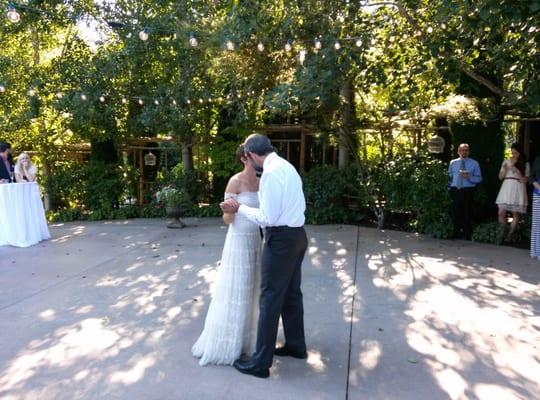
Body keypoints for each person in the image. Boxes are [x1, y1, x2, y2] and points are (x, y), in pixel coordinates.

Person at [220, 133, 308, 379]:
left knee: (269, 300)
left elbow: (266, 217)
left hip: (280, 241)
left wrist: (240, 207)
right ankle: (296, 346)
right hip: (298, 236)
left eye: (247, 157)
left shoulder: (269, 174)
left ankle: (260, 364)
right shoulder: (287, 166)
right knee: (291, 294)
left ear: (251, 155)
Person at [192, 144, 262, 366]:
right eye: (253, 156)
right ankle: (229, 343)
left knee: (253, 288)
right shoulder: (235, 182)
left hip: (257, 240)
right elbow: (226, 220)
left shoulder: (263, 179)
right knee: (238, 287)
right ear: (244, 159)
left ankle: (249, 342)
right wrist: (228, 212)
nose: (257, 159)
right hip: (239, 239)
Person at [495, 143, 529, 243]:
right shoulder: (506, 161)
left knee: (515, 213)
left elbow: (525, 180)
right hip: (506, 186)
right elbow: (500, 177)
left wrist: (516, 170)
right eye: (512, 153)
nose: (514, 155)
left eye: (516, 153)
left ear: (520, 153)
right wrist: (505, 169)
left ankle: (509, 235)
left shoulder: (525, 164)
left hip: (518, 186)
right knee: (501, 212)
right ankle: (504, 232)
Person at [448, 143, 483, 240]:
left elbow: (479, 178)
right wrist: (449, 187)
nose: (464, 152)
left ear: (469, 152)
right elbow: (449, 176)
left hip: (468, 190)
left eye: (466, 150)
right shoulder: (453, 163)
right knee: (455, 212)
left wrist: (469, 177)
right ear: (458, 151)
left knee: (467, 212)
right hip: (455, 190)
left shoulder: (474, 163)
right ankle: (456, 232)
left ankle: (467, 234)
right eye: (462, 150)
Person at [529, 155, 540, 260]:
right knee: (536, 223)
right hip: (538, 194)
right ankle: (534, 252)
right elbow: (531, 177)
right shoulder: (538, 159)